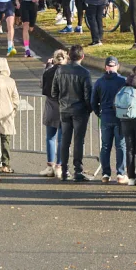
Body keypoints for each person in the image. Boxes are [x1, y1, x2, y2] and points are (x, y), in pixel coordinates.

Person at [51, 44, 93, 181]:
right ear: (82, 56)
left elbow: (54, 91)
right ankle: (78, 170)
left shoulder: (60, 70)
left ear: (69, 56)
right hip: (80, 110)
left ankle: (63, 169)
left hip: (64, 108)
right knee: (78, 140)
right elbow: (88, 96)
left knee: (64, 140)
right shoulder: (84, 73)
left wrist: (61, 102)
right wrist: (89, 108)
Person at [91, 55, 127, 183]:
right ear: (117, 66)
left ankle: (105, 173)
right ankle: (120, 173)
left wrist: (99, 113)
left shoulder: (100, 82)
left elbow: (93, 101)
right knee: (120, 145)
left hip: (105, 116)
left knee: (105, 146)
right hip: (119, 118)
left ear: (106, 67)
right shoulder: (123, 81)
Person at [40, 49, 67, 177]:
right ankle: (59, 166)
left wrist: (48, 66)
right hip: (64, 108)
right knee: (62, 139)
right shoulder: (68, 73)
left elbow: (42, 86)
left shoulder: (48, 72)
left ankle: (50, 166)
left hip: (51, 107)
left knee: (50, 137)